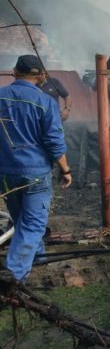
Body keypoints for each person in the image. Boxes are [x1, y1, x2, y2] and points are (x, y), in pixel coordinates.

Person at [0, 55, 72, 282]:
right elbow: (54, 142)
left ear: (14, 72)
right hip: (35, 174)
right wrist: (65, 170)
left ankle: (38, 257)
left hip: (5, 173)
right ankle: (13, 276)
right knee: (32, 224)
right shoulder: (45, 102)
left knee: (20, 218)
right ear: (40, 76)